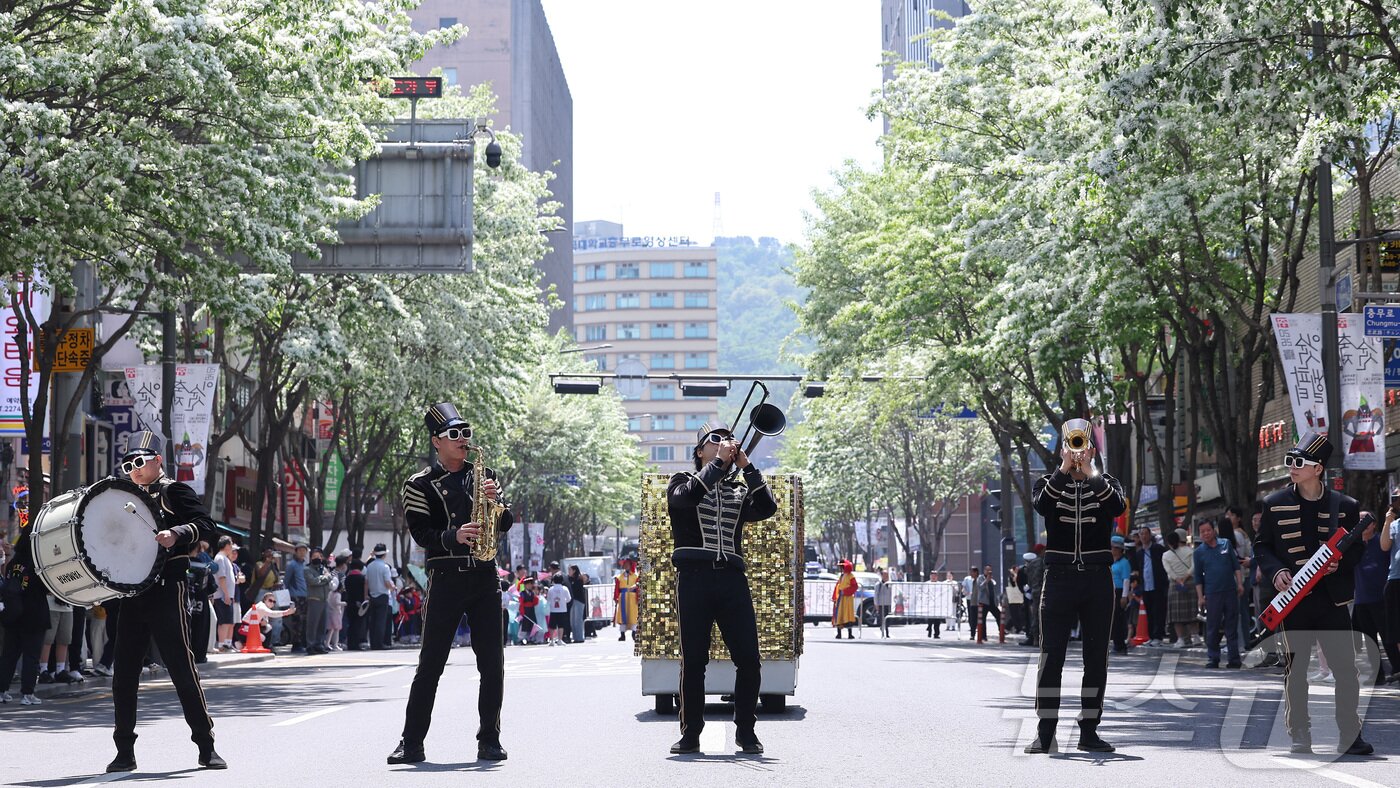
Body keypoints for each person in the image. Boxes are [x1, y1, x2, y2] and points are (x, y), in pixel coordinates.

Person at [388, 402, 513, 765]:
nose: (462, 439)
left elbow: (505, 524)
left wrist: (495, 504)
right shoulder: (419, 484)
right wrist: (453, 535)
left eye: (465, 433)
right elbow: (421, 534)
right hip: (446, 578)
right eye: (454, 434)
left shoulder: (485, 475)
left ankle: (490, 739)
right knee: (430, 664)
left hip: (485, 577)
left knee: (492, 663)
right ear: (436, 441)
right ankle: (411, 742)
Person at [106, 431, 224, 771]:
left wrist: (177, 533)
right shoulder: (123, 497)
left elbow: (206, 524)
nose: (134, 469)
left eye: (139, 462)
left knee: (182, 669)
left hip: (167, 589)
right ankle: (124, 751)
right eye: (128, 465)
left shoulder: (173, 491)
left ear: (157, 460)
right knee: (123, 675)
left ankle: (206, 746)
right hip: (133, 592)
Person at [1254, 430, 1372, 756]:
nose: (1292, 467)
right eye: (1289, 461)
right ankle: (1300, 734)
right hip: (1292, 602)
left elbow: (1356, 550)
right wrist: (1276, 571)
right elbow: (1262, 546)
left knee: (1346, 670)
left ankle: (1350, 734)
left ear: (1318, 468)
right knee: (1295, 671)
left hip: (1332, 600)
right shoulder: (1273, 503)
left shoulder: (1345, 506)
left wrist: (1340, 563)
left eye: (1299, 462)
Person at [666, 421, 778, 756]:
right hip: (694, 578)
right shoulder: (681, 481)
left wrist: (747, 466)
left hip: (732, 580)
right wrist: (718, 464)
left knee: (749, 659)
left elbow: (768, 508)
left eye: (728, 440)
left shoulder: (737, 490)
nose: (723, 443)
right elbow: (686, 499)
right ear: (700, 451)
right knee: (694, 661)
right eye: (715, 440)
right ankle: (690, 734)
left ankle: (746, 730)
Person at [1025, 419, 1126, 755]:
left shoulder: (1106, 482)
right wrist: (1064, 469)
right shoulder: (1047, 482)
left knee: (1096, 658)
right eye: (1072, 444)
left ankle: (1089, 730)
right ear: (1063, 449)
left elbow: (1117, 508)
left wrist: (1091, 471)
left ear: (1092, 449)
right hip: (1059, 578)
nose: (1078, 451)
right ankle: (1045, 732)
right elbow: (1043, 506)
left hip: (1098, 579)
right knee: (1051, 656)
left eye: (1082, 444)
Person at [0, 524, 50, 705]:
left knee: (9, 655)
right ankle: (27, 693)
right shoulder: (38, 564)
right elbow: (46, 588)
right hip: (34, 615)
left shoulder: (13, 563)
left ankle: (2, 690)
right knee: (31, 656)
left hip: (14, 615)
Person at [1350, 512, 1390, 685]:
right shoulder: (1353, 545)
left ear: (1373, 524)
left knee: (1389, 637)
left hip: (1381, 598)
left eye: (1366, 520)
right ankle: (1378, 675)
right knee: (1370, 640)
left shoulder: (1382, 541)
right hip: (1361, 599)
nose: (1362, 523)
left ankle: (1396, 669)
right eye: (1359, 520)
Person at [1162, 529, 1197, 648]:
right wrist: (1186, 577)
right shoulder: (1190, 551)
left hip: (1175, 584)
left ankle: (1181, 639)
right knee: (1192, 611)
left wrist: (1178, 579)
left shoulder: (1166, 555)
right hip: (1190, 582)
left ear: (1168, 543)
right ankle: (1195, 637)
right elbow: (1194, 566)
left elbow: (1169, 570)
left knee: (1176, 615)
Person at [1133, 527, 1168, 645]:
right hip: (1146, 586)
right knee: (1149, 612)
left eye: (1145, 534)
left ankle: (1158, 636)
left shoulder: (1158, 549)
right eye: (1141, 534)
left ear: (1150, 535)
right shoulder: (1139, 553)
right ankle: (1151, 636)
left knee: (1158, 611)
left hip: (1158, 586)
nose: (1143, 536)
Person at [1383, 493, 1400, 684]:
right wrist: (1388, 521)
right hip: (1395, 579)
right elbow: (1385, 546)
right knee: (1396, 629)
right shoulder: (1394, 524)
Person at [365, 543, 393, 650]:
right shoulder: (385, 567)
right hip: (383, 596)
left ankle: (373, 643)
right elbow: (387, 582)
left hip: (372, 596)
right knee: (381, 621)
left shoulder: (369, 566)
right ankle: (379, 644)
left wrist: (365, 595)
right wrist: (392, 588)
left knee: (373, 621)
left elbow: (366, 582)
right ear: (384, 554)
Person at [1110, 536, 1133, 653]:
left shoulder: (1124, 563)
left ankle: (1120, 645)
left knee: (1119, 619)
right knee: (1113, 619)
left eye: (1114, 548)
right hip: (1111, 591)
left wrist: (1124, 596)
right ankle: (1116, 643)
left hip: (1120, 592)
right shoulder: (1111, 562)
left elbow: (1126, 580)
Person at [285, 543, 308, 653]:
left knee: (304, 621)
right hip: (295, 596)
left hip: (305, 596)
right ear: (296, 551)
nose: (302, 553)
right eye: (300, 550)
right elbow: (286, 581)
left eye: (304, 550)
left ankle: (303, 642)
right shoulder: (292, 565)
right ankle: (296, 644)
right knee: (296, 621)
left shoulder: (306, 565)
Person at [975, 564, 1003, 644]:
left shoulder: (991, 579)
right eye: (987, 570)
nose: (988, 572)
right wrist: (986, 580)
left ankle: (1001, 631)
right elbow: (980, 587)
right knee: (982, 620)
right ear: (984, 570)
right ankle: (983, 636)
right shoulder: (980, 578)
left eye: (990, 570)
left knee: (999, 615)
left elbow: (993, 590)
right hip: (984, 602)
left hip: (991, 602)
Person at [343, 559, 367, 650]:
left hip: (350, 602)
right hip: (359, 604)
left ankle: (350, 643)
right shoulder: (361, 578)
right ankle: (356, 644)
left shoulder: (347, 578)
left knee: (351, 624)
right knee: (358, 624)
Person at [832, 559, 859, 639]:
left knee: (848, 615)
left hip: (847, 598)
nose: (841, 568)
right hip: (840, 598)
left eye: (842, 567)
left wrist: (846, 591)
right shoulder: (841, 576)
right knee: (839, 614)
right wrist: (835, 596)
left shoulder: (851, 576)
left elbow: (855, 586)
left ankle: (850, 634)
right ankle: (839, 633)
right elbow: (838, 586)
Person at [613, 558, 639, 641]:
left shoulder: (635, 577)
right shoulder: (619, 577)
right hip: (623, 598)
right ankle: (622, 634)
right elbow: (617, 589)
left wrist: (638, 597)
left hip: (633, 599)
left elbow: (638, 588)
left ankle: (634, 633)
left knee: (633, 616)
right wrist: (616, 597)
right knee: (622, 616)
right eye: (625, 565)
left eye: (628, 565)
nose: (626, 566)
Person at [547, 572, 571, 646]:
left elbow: (548, 599)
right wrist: (564, 602)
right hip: (562, 609)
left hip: (553, 610)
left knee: (552, 625)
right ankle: (560, 639)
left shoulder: (551, 589)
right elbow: (569, 598)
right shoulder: (565, 588)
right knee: (561, 625)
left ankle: (551, 640)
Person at [567, 565, 587, 644]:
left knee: (578, 620)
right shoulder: (569, 579)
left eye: (570, 570)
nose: (569, 571)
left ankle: (580, 637)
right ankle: (575, 637)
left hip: (578, 600)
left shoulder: (579, 579)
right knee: (572, 620)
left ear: (574, 570)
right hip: (572, 601)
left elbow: (575, 589)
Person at [961, 567, 980, 640]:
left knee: (979, 616)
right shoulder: (967, 579)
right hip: (970, 599)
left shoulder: (979, 579)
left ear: (976, 572)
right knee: (971, 616)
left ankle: (980, 631)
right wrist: (965, 592)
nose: (971, 573)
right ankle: (972, 632)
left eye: (972, 572)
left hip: (978, 600)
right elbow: (964, 587)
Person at [874, 568, 893, 638]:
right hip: (881, 604)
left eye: (887, 575)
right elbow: (876, 595)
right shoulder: (878, 585)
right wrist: (876, 604)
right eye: (885, 575)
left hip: (889, 604)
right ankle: (884, 631)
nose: (886, 577)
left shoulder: (890, 584)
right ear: (882, 576)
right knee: (882, 618)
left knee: (888, 618)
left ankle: (886, 630)